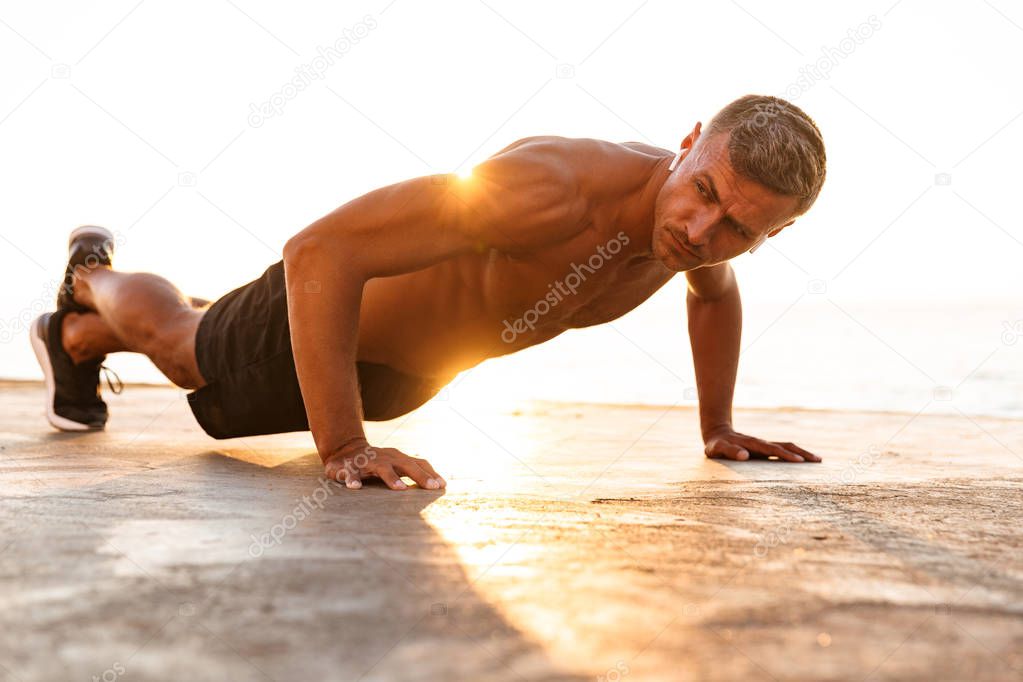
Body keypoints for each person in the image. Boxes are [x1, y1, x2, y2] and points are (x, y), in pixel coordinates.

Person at [30, 93, 827, 491]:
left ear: (770, 236)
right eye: (705, 193)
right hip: (318, 322)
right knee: (179, 346)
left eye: (739, 230)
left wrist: (717, 426)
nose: (701, 232)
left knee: (192, 346)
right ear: (687, 147)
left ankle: (73, 340)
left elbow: (713, 296)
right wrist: (342, 447)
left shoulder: (693, 242)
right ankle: (89, 276)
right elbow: (321, 249)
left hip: (400, 379)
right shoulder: (551, 189)